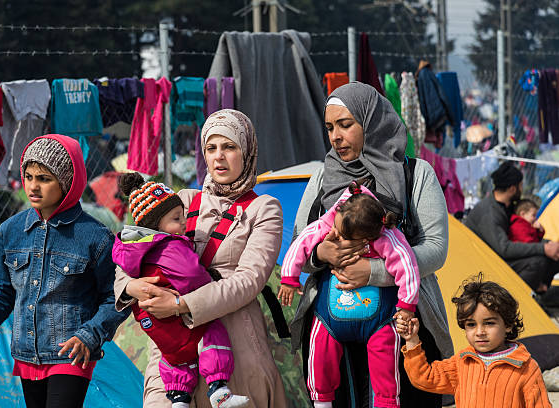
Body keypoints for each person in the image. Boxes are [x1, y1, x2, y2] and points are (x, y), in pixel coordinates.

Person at [290, 82, 453, 408]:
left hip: (403, 328)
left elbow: (436, 248)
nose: (335, 136)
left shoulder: (414, 175)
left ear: (371, 121)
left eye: (345, 125)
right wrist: (321, 253)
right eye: (329, 127)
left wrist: (375, 271)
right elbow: (298, 244)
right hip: (333, 324)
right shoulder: (323, 178)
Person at [113, 109, 288, 407]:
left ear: (246, 151)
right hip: (172, 346)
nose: (219, 157)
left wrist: (181, 305)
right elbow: (133, 249)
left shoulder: (265, 209)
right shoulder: (182, 201)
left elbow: (249, 280)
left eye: (229, 147)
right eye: (211, 148)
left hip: (232, 342)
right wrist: (132, 288)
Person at [0, 134, 128, 408]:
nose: (33, 187)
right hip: (26, 354)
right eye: (28, 177)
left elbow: (117, 297)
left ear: (67, 182)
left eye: (44, 178)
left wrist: (90, 335)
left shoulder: (95, 237)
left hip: (71, 355)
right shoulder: (9, 231)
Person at [112, 173, 249, 408]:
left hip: (153, 322)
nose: (184, 222)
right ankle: (218, 388)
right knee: (212, 332)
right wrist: (210, 284)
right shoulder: (170, 245)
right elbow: (191, 274)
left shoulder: (133, 247)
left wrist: (133, 286)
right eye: (177, 218)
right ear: (156, 225)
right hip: (178, 314)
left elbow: (123, 270)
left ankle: (179, 398)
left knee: (175, 357)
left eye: (183, 215)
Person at [279, 181, 419, 408]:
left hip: (380, 320)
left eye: (343, 236)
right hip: (330, 317)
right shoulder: (333, 219)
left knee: (385, 370)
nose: (334, 235)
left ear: (367, 239)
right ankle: (321, 404)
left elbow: (407, 265)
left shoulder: (384, 237)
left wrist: (406, 305)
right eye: (334, 227)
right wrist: (289, 277)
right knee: (319, 359)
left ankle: (386, 403)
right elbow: (302, 241)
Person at [396, 275, 552, 408]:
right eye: (471, 325)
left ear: (508, 325)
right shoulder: (462, 362)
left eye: (489, 323)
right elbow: (424, 377)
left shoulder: (525, 368)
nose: (480, 332)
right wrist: (412, 340)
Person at [465, 161, 559, 294]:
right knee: (538, 261)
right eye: (520, 185)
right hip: (487, 263)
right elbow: (505, 248)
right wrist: (543, 248)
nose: (522, 189)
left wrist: (549, 245)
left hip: (501, 256)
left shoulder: (507, 206)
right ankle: (514, 298)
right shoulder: (490, 212)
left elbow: (521, 236)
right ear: (512, 189)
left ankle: (541, 292)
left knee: (554, 256)